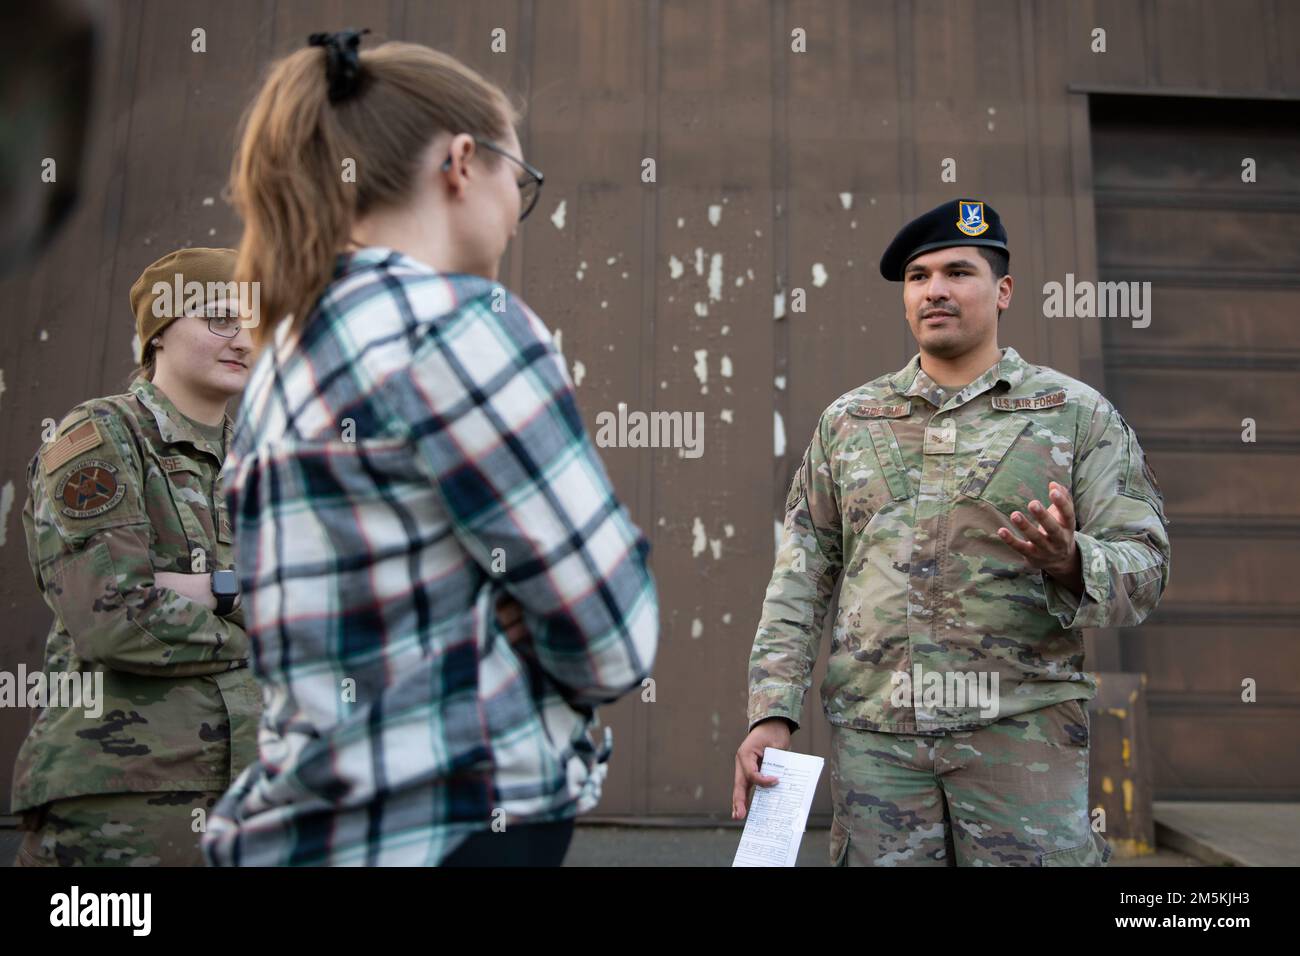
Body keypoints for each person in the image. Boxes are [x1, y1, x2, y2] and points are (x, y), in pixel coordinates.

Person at [200, 31, 658, 867]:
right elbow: (614, 639)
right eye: (519, 183)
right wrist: (500, 618)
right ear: (460, 162)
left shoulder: (286, 351)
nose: (516, 217)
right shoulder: (458, 325)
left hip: (315, 826)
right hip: (453, 823)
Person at [733, 199, 1171, 866]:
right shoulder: (850, 422)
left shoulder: (1075, 416)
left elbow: (1146, 566)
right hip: (879, 745)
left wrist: (1072, 560)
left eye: (958, 272)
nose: (935, 289)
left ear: (1003, 292)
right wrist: (772, 710)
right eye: (918, 276)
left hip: (1019, 734)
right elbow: (801, 575)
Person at [11, 247, 261, 866]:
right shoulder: (100, 438)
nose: (245, 340)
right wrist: (254, 612)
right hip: (123, 802)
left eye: (257, 323)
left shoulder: (264, 465)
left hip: (252, 800)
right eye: (220, 318)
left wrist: (201, 589)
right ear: (159, 332)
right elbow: (117, 619)